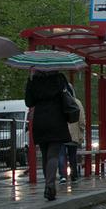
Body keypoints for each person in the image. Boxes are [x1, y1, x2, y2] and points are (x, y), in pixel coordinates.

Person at [25, 69, 72, 200]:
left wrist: (30, 81)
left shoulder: (33, 80)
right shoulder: (59, 78)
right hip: (57, 119)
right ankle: (50, 185)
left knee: (45, 155)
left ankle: (48, 186)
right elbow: (69, 95)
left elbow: (28, 102)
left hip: (40, 120)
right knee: (53, 155)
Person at [60, 76, 86, 183]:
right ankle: (74, 175)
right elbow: (82, 120)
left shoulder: (59, 102)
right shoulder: (77, 102)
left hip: (61, 134)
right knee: (72, 156)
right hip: (73, 135)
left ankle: (63, 176)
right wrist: (81, 131)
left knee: (61, 155)